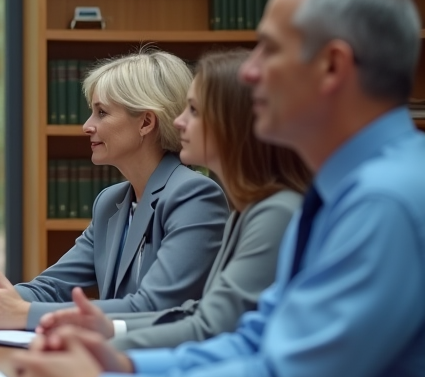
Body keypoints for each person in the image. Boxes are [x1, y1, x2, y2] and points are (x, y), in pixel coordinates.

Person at [14, 0, 425, 377]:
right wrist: (126, 363)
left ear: (332, 67)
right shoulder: (338, 195)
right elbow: (255, 340)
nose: (249, 71)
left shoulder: (384, 202)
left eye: (269, 49)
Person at [35, 49, 311, 349]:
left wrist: (104, 345)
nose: (178, 121)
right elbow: (196, 316)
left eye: (193, 110)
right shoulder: (247, 212)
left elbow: (202, 325)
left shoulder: (247, 207)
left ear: (235, 122)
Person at [0, 49, 229, 330]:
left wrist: (23, 314)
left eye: (101, 113)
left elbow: (153, 306)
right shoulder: (110, 201)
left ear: (146, 122)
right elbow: (53, 287)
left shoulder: (194, 196)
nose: (86, 126)